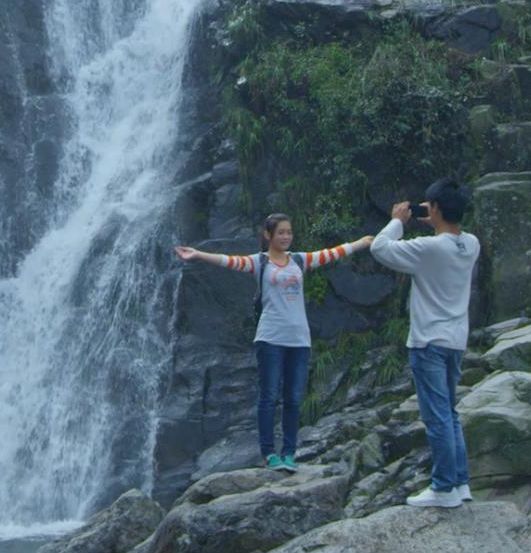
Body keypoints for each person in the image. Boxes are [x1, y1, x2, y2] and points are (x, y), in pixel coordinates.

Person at [175, 214, 372, 472]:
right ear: (268, 235)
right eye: (281, 232)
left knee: (293, 397)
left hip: (299, 340)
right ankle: (269, 454)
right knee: (269, 396)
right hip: (270, 338)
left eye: (289, 232)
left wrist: (361, 242)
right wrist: (198, 254)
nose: (286, 237)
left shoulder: (300, 260)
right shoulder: (260, 263)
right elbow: (229, 261)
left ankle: (289, 453)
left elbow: (332, 253)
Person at [370, 178, 480, 509]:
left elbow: (380, 248)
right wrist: (435, 220)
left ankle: (444, 487)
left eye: (429, 206)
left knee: (436, 418)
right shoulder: (471, 244)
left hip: (429, 341)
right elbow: (445, 239)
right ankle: (459, 483)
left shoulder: (430, 249)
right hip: (455, 341)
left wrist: (397, 221)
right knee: (449, 412)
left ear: (433, 208)